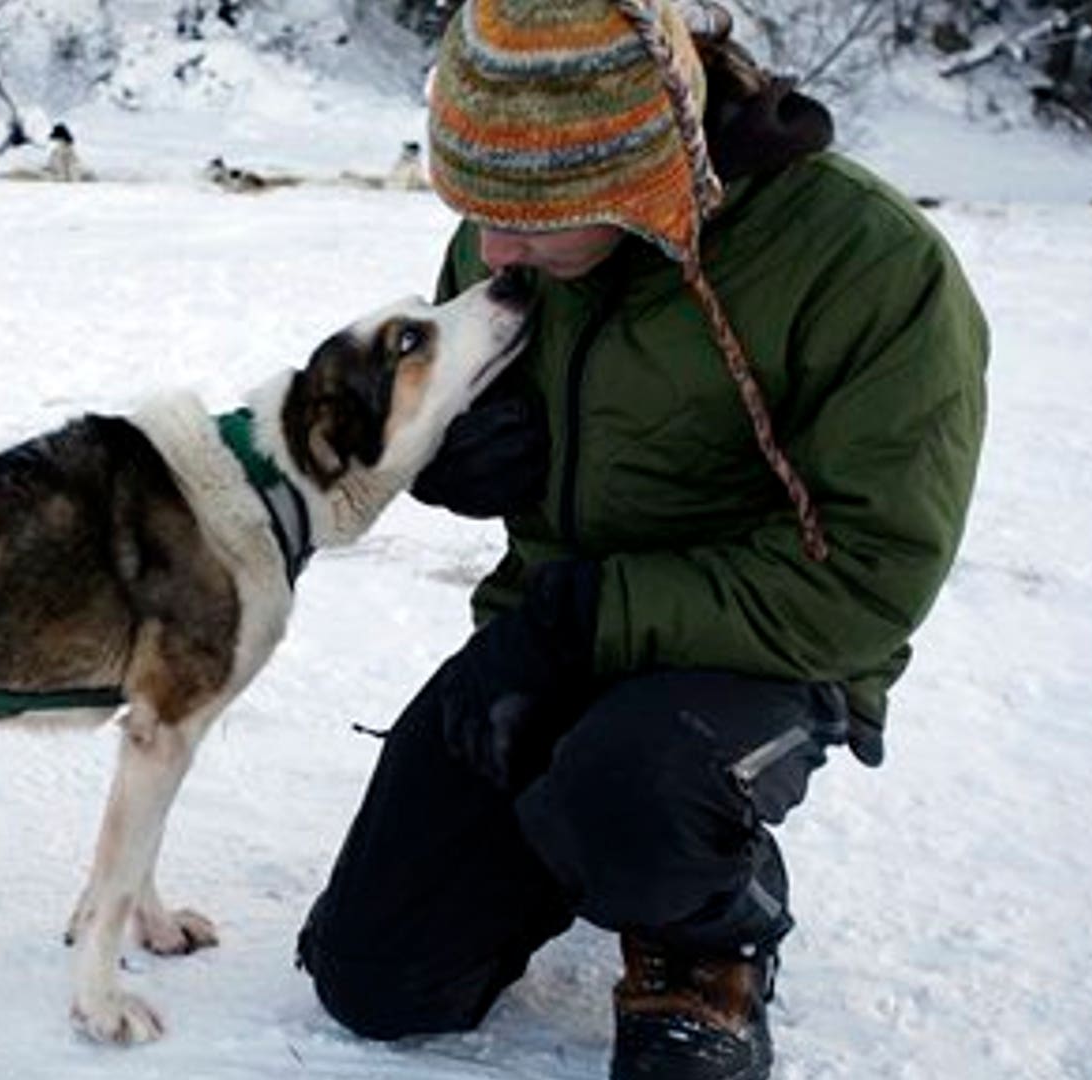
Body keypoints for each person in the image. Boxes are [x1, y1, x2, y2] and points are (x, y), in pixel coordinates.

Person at [294, 2, 989, 1079]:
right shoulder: (517, 227)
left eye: (528, 220)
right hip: (551, 635)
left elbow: (863, 576)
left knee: (632, 788)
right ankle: (586, 840)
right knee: (377, 979)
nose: (493, 249)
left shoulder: (869, 266)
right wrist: (450, 459)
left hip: (761, 658)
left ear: (644, 173)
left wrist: (574, 621)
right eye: (475, 209)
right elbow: (445, 397)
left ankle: (713, 926)